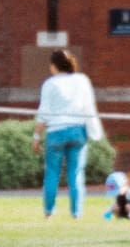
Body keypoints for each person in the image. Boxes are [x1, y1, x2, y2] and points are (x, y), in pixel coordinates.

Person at [31, 49, 99, 219]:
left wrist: (36, 137)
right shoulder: (82, 81)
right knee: (75, 173)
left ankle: (49, 212)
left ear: (54, 66)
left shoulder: (50, 84)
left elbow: (43, 112)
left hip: (56, 132)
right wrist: (94, 131)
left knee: (52, 173)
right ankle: (76, 213)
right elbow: (89, 106)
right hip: (77, 131)